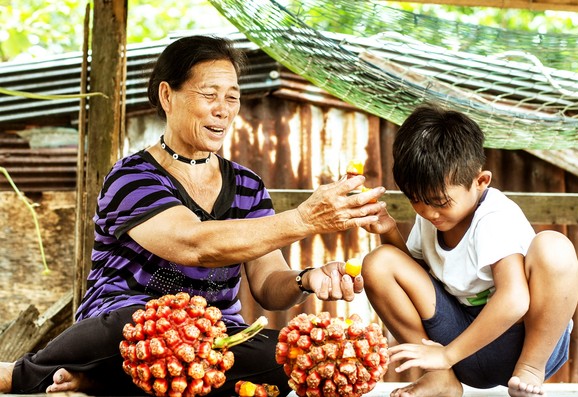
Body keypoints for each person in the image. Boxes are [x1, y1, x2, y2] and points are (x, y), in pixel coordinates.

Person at [0, 35, 386, 396]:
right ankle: (26, 374)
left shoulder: (247, 185)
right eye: (210, 94)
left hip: (212, 341)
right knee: (136, 323)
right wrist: (304, 220)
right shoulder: (132, 176)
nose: (223, 109)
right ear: (168, 95)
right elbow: (192, 244)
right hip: (125, 325)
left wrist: (306, 278)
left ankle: (110, 380)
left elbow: (269, 285)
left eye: (232, 97)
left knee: (302, 358)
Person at [360, 103, 578, 397]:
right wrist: (388, 230)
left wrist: (448, 354)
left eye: (439, 202)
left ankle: (530, 368)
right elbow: (413, 276)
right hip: (459, 345)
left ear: (480, 181)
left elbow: (514, 300)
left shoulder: (494, 216)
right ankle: (440, 379)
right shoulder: (431, 215)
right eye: (415, 200)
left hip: (520, 340)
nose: (428, 212)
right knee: (379, 262)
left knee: (555, 247)